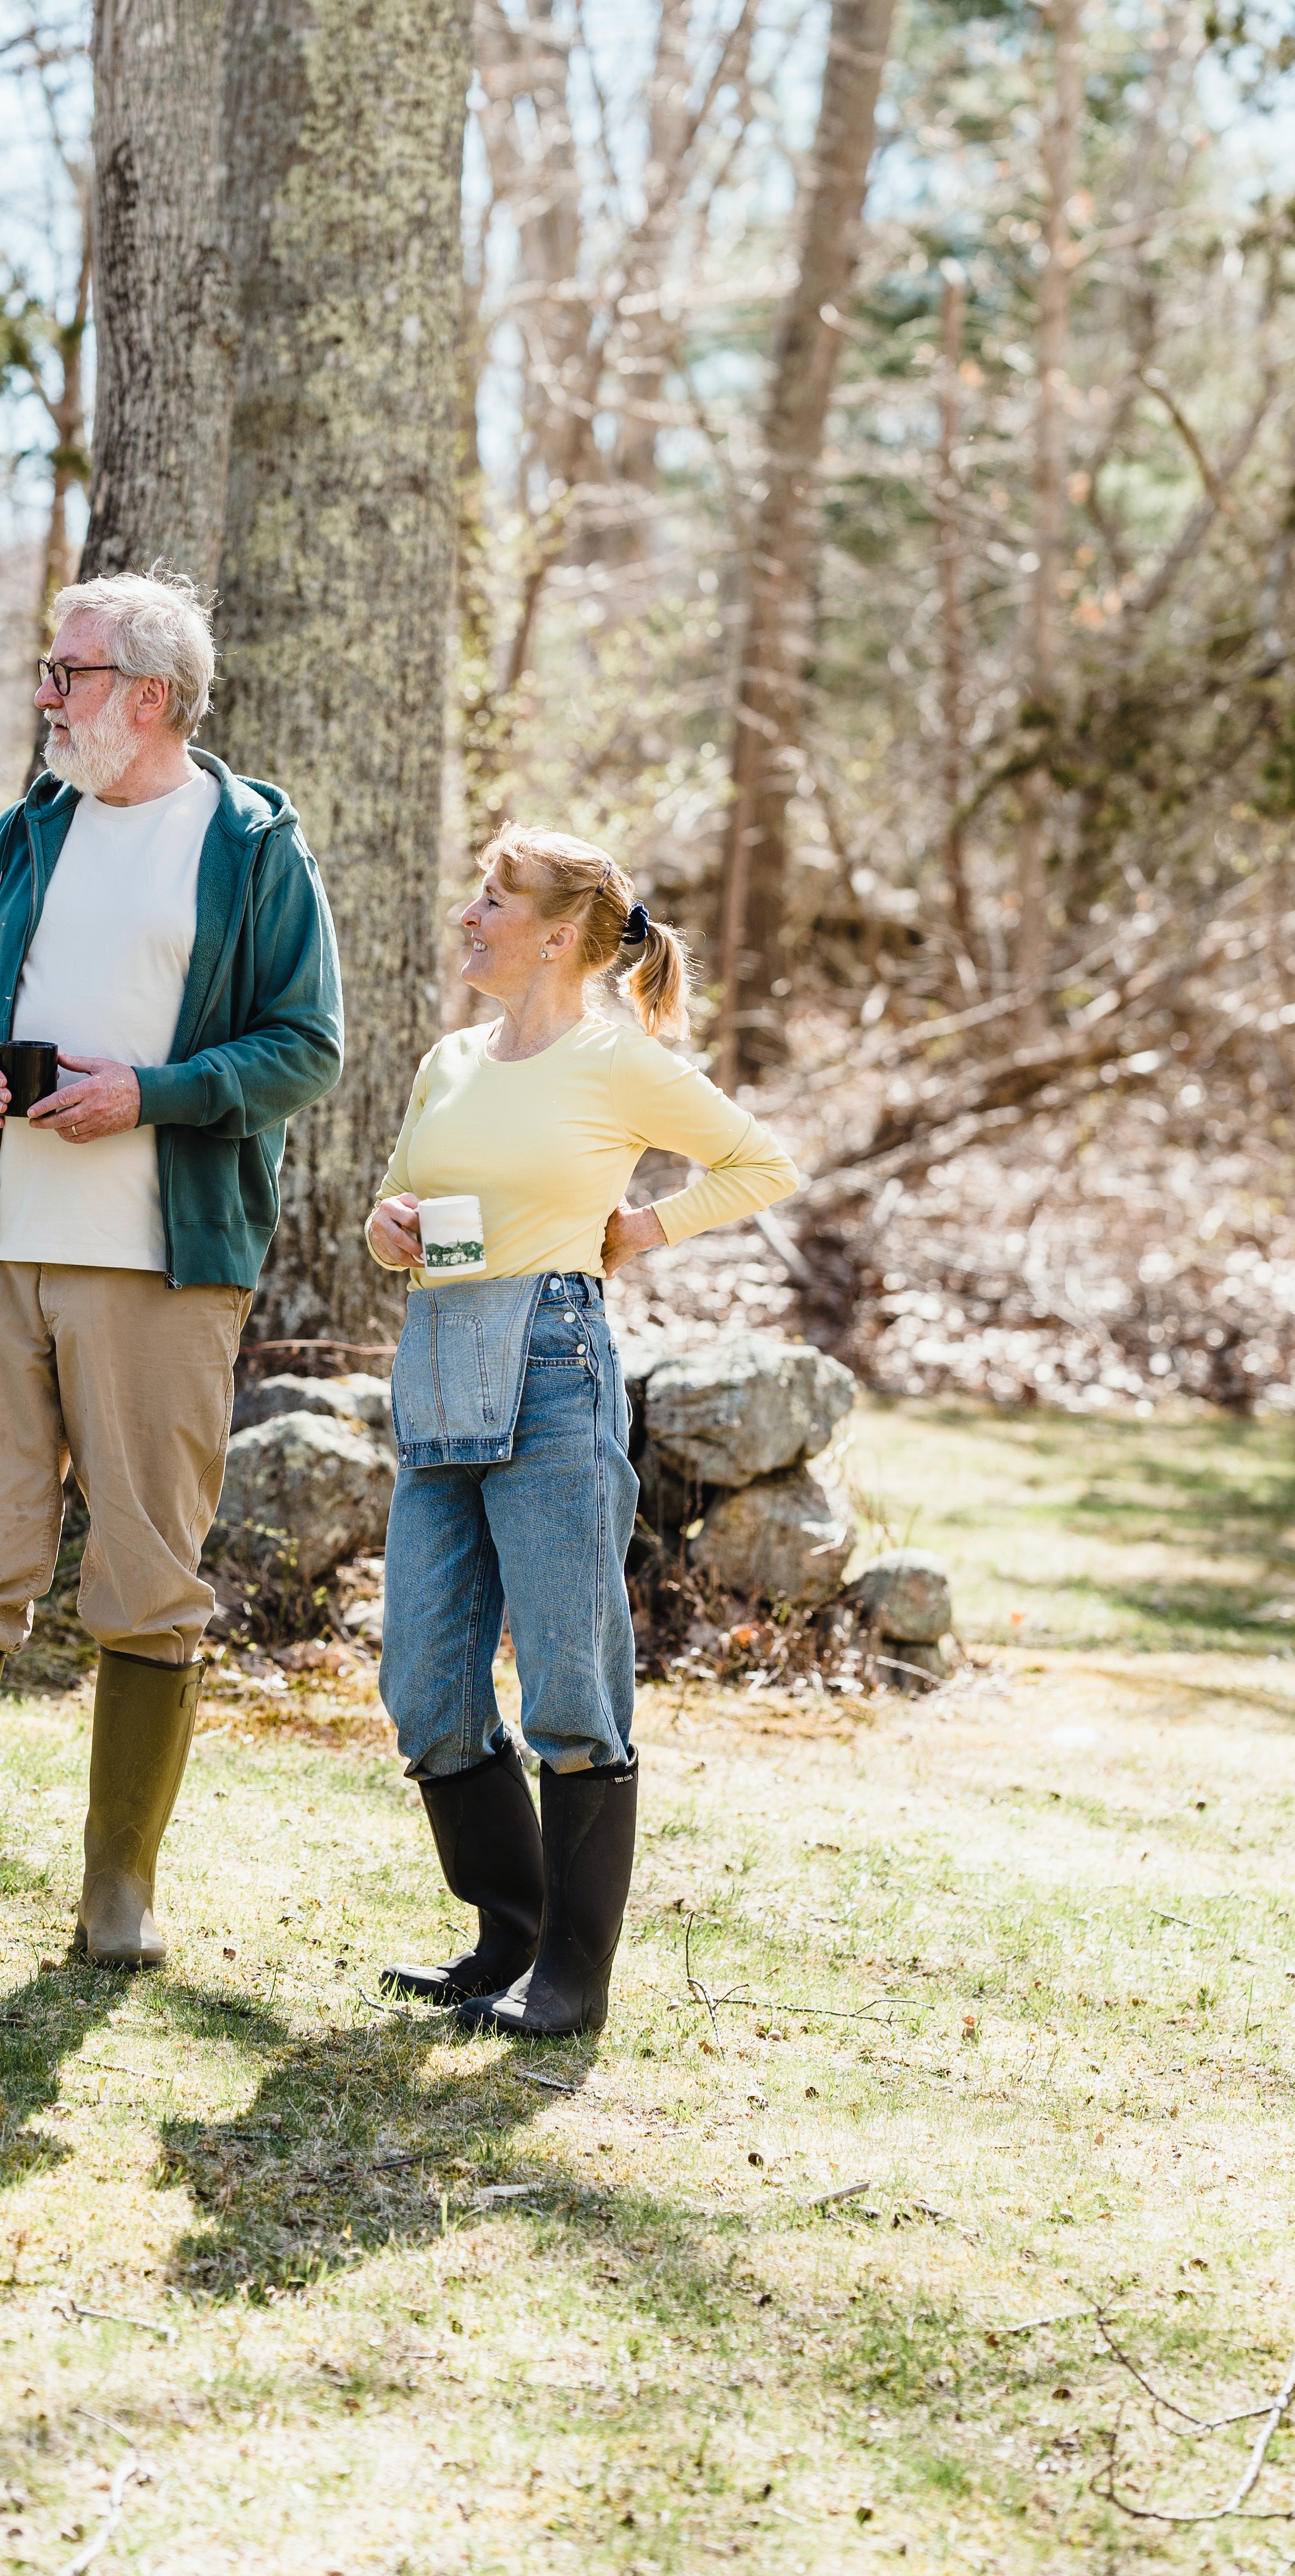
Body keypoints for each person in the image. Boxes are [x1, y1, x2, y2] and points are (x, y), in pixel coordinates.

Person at [0, 568, 342, 1978]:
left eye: (66, 671)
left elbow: (303, 1046)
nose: (44, 692)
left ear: (148, 696)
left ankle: (117, 1899)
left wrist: (151, 1093)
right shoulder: (24, 840)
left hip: (161, 1266)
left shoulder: (253, 846)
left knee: (148, 1577)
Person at [366, 826, 799, 2039]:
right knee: (424, 1681)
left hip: (555, 1362)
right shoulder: (448, 1059)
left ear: (558, 934)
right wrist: (386, 1228)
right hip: (442, 1358)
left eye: (492, 899)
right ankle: (506, 1933)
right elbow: (390, 1201)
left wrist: (644, 1230)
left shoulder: (615, 1064)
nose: (468, 914)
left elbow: (758, 1163)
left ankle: (570, 1978)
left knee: (568, 1677)